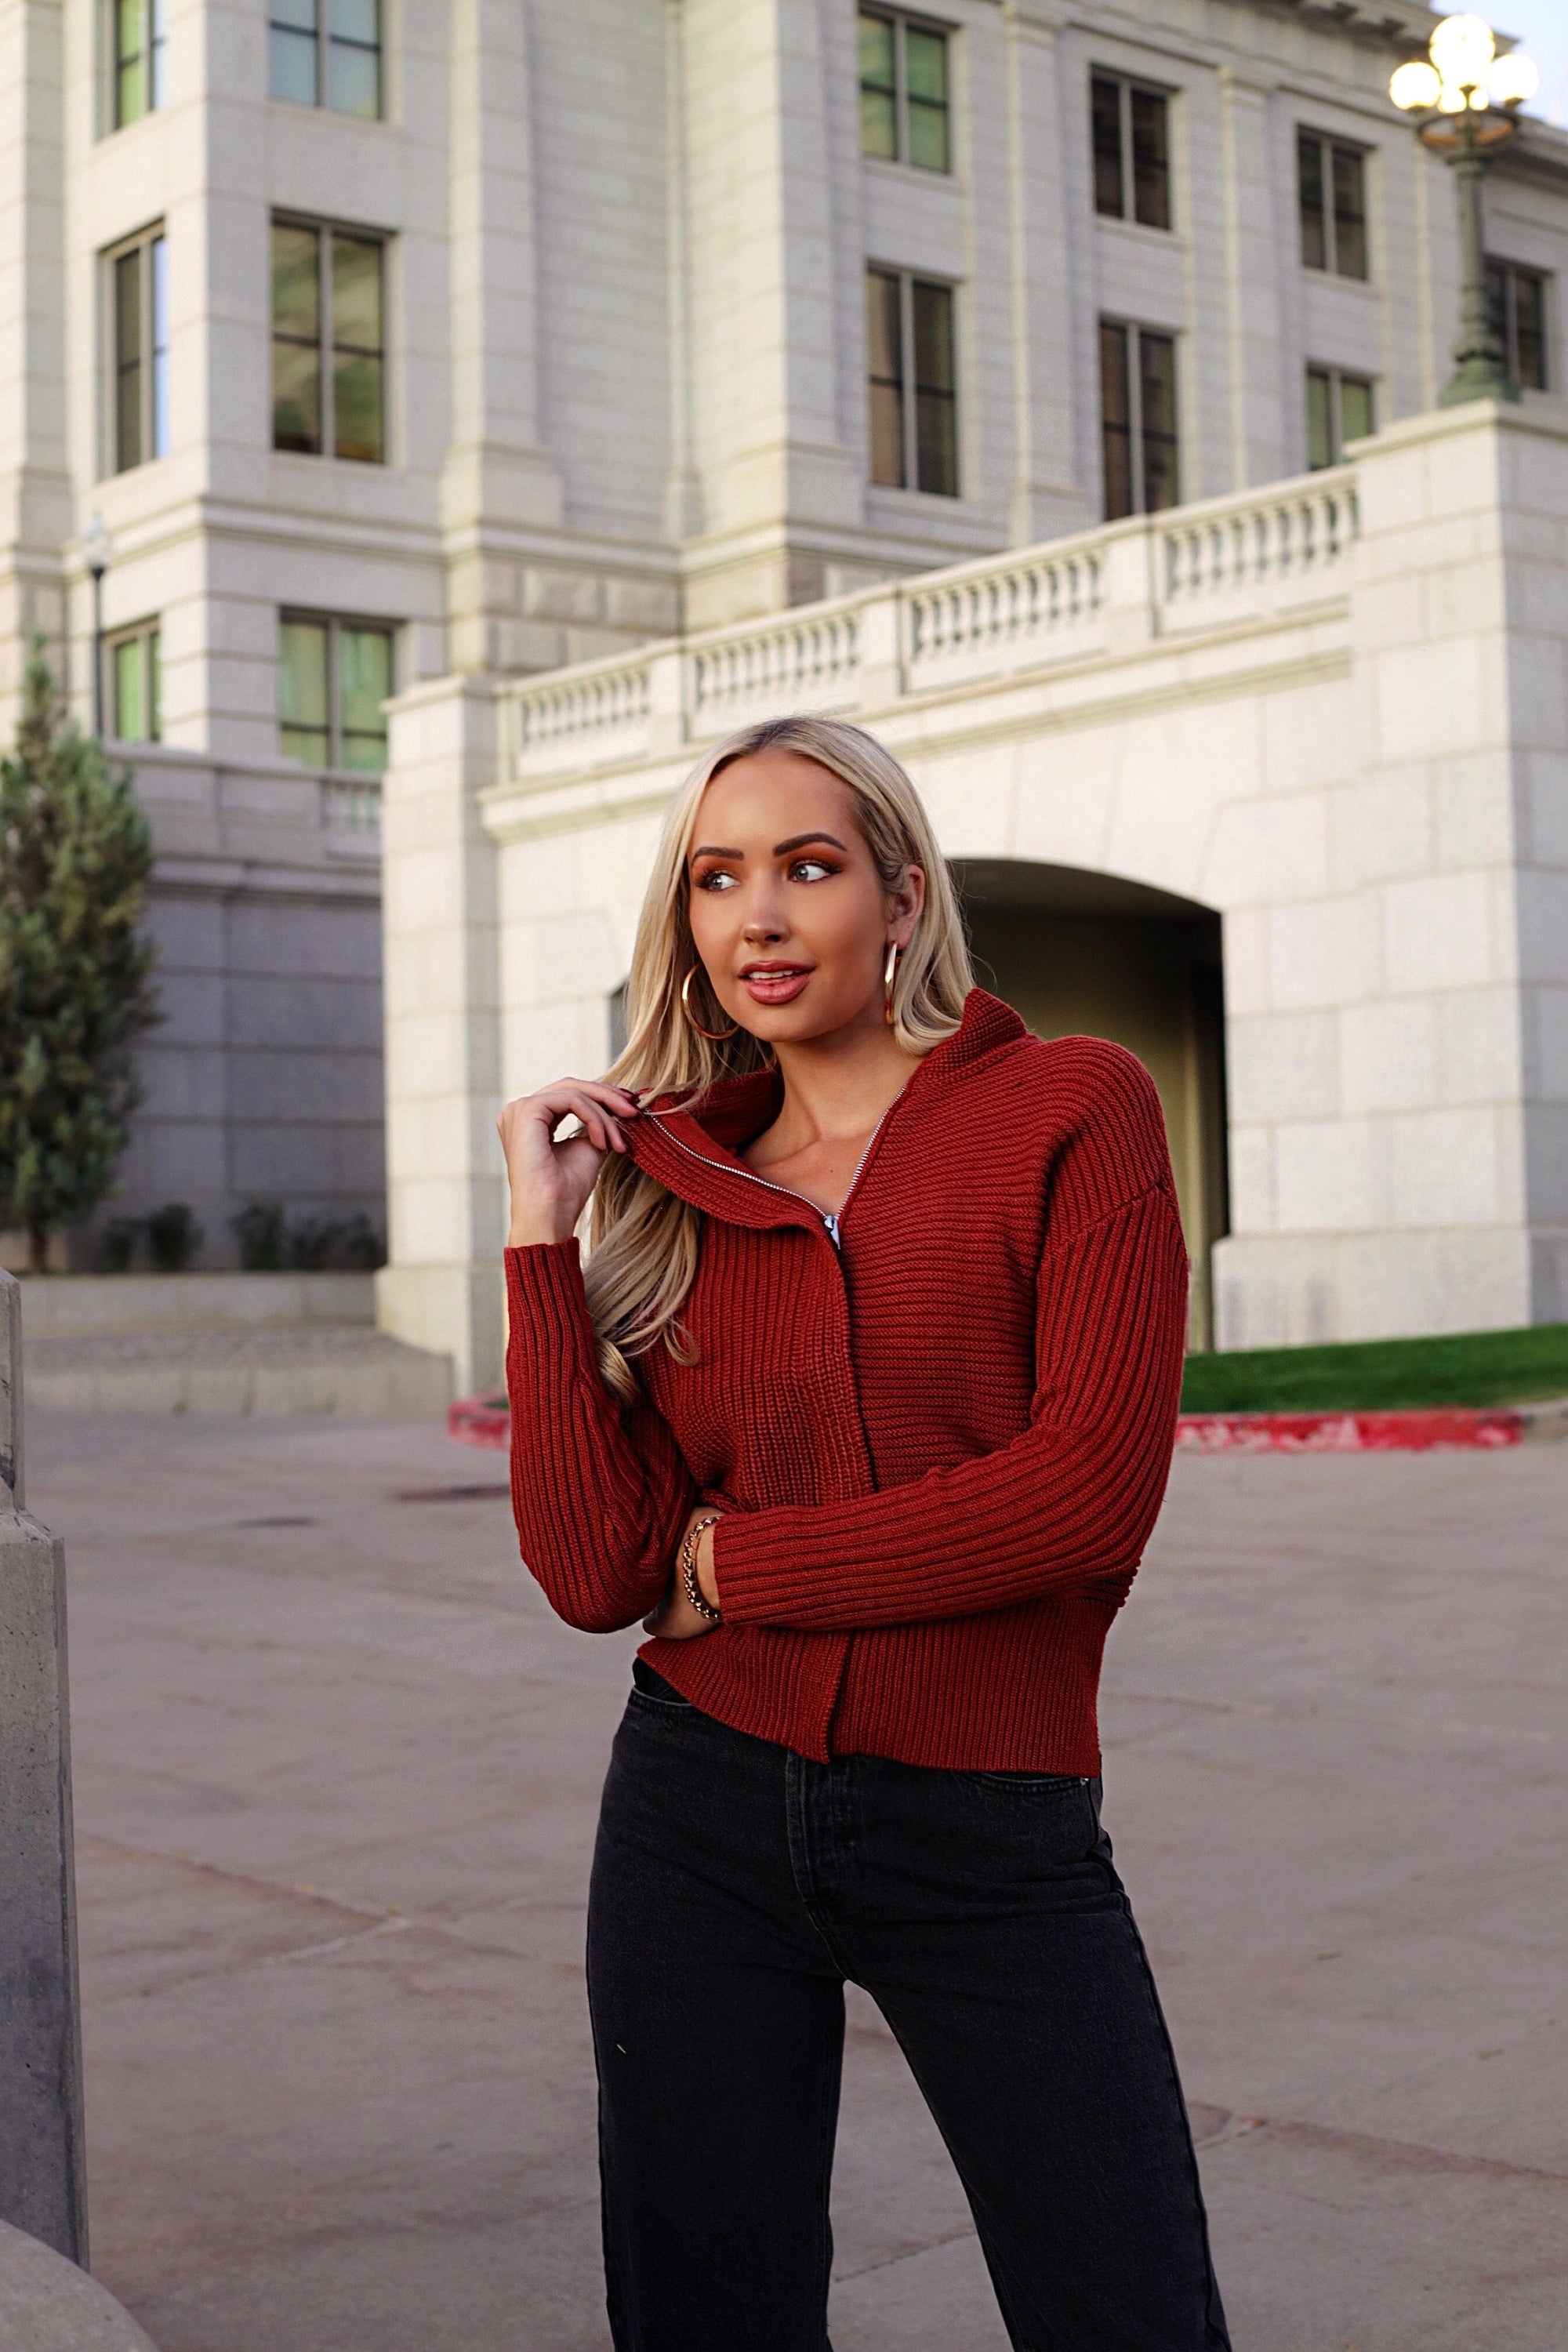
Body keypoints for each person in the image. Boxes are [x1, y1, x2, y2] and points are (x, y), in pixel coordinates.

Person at [497, 714, 1230, 2352]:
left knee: (1124, 2308)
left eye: (808, 868)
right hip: (692, 1817)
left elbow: (1081, 1495)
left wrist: (732, 1567)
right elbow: (593, 1574)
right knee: (706, 2317)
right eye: (715, 879)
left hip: (989, 1821)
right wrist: (541, 1243)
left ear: (901, 898)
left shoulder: (1072, 1108)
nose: (757, 918)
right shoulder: (672, 1179)